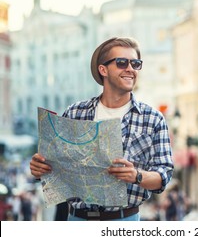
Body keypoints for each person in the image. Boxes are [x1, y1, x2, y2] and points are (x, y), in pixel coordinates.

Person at [29, 37, 174, 221]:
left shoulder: (153, 119)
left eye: (135, 64)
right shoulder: (75, 112)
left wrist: (136, 176)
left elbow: (164, 175)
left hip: (124, 221)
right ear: (103, 69)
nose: (130, 69)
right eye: (122, 63)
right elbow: (56, 169)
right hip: (77, 220)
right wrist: (39, 168)